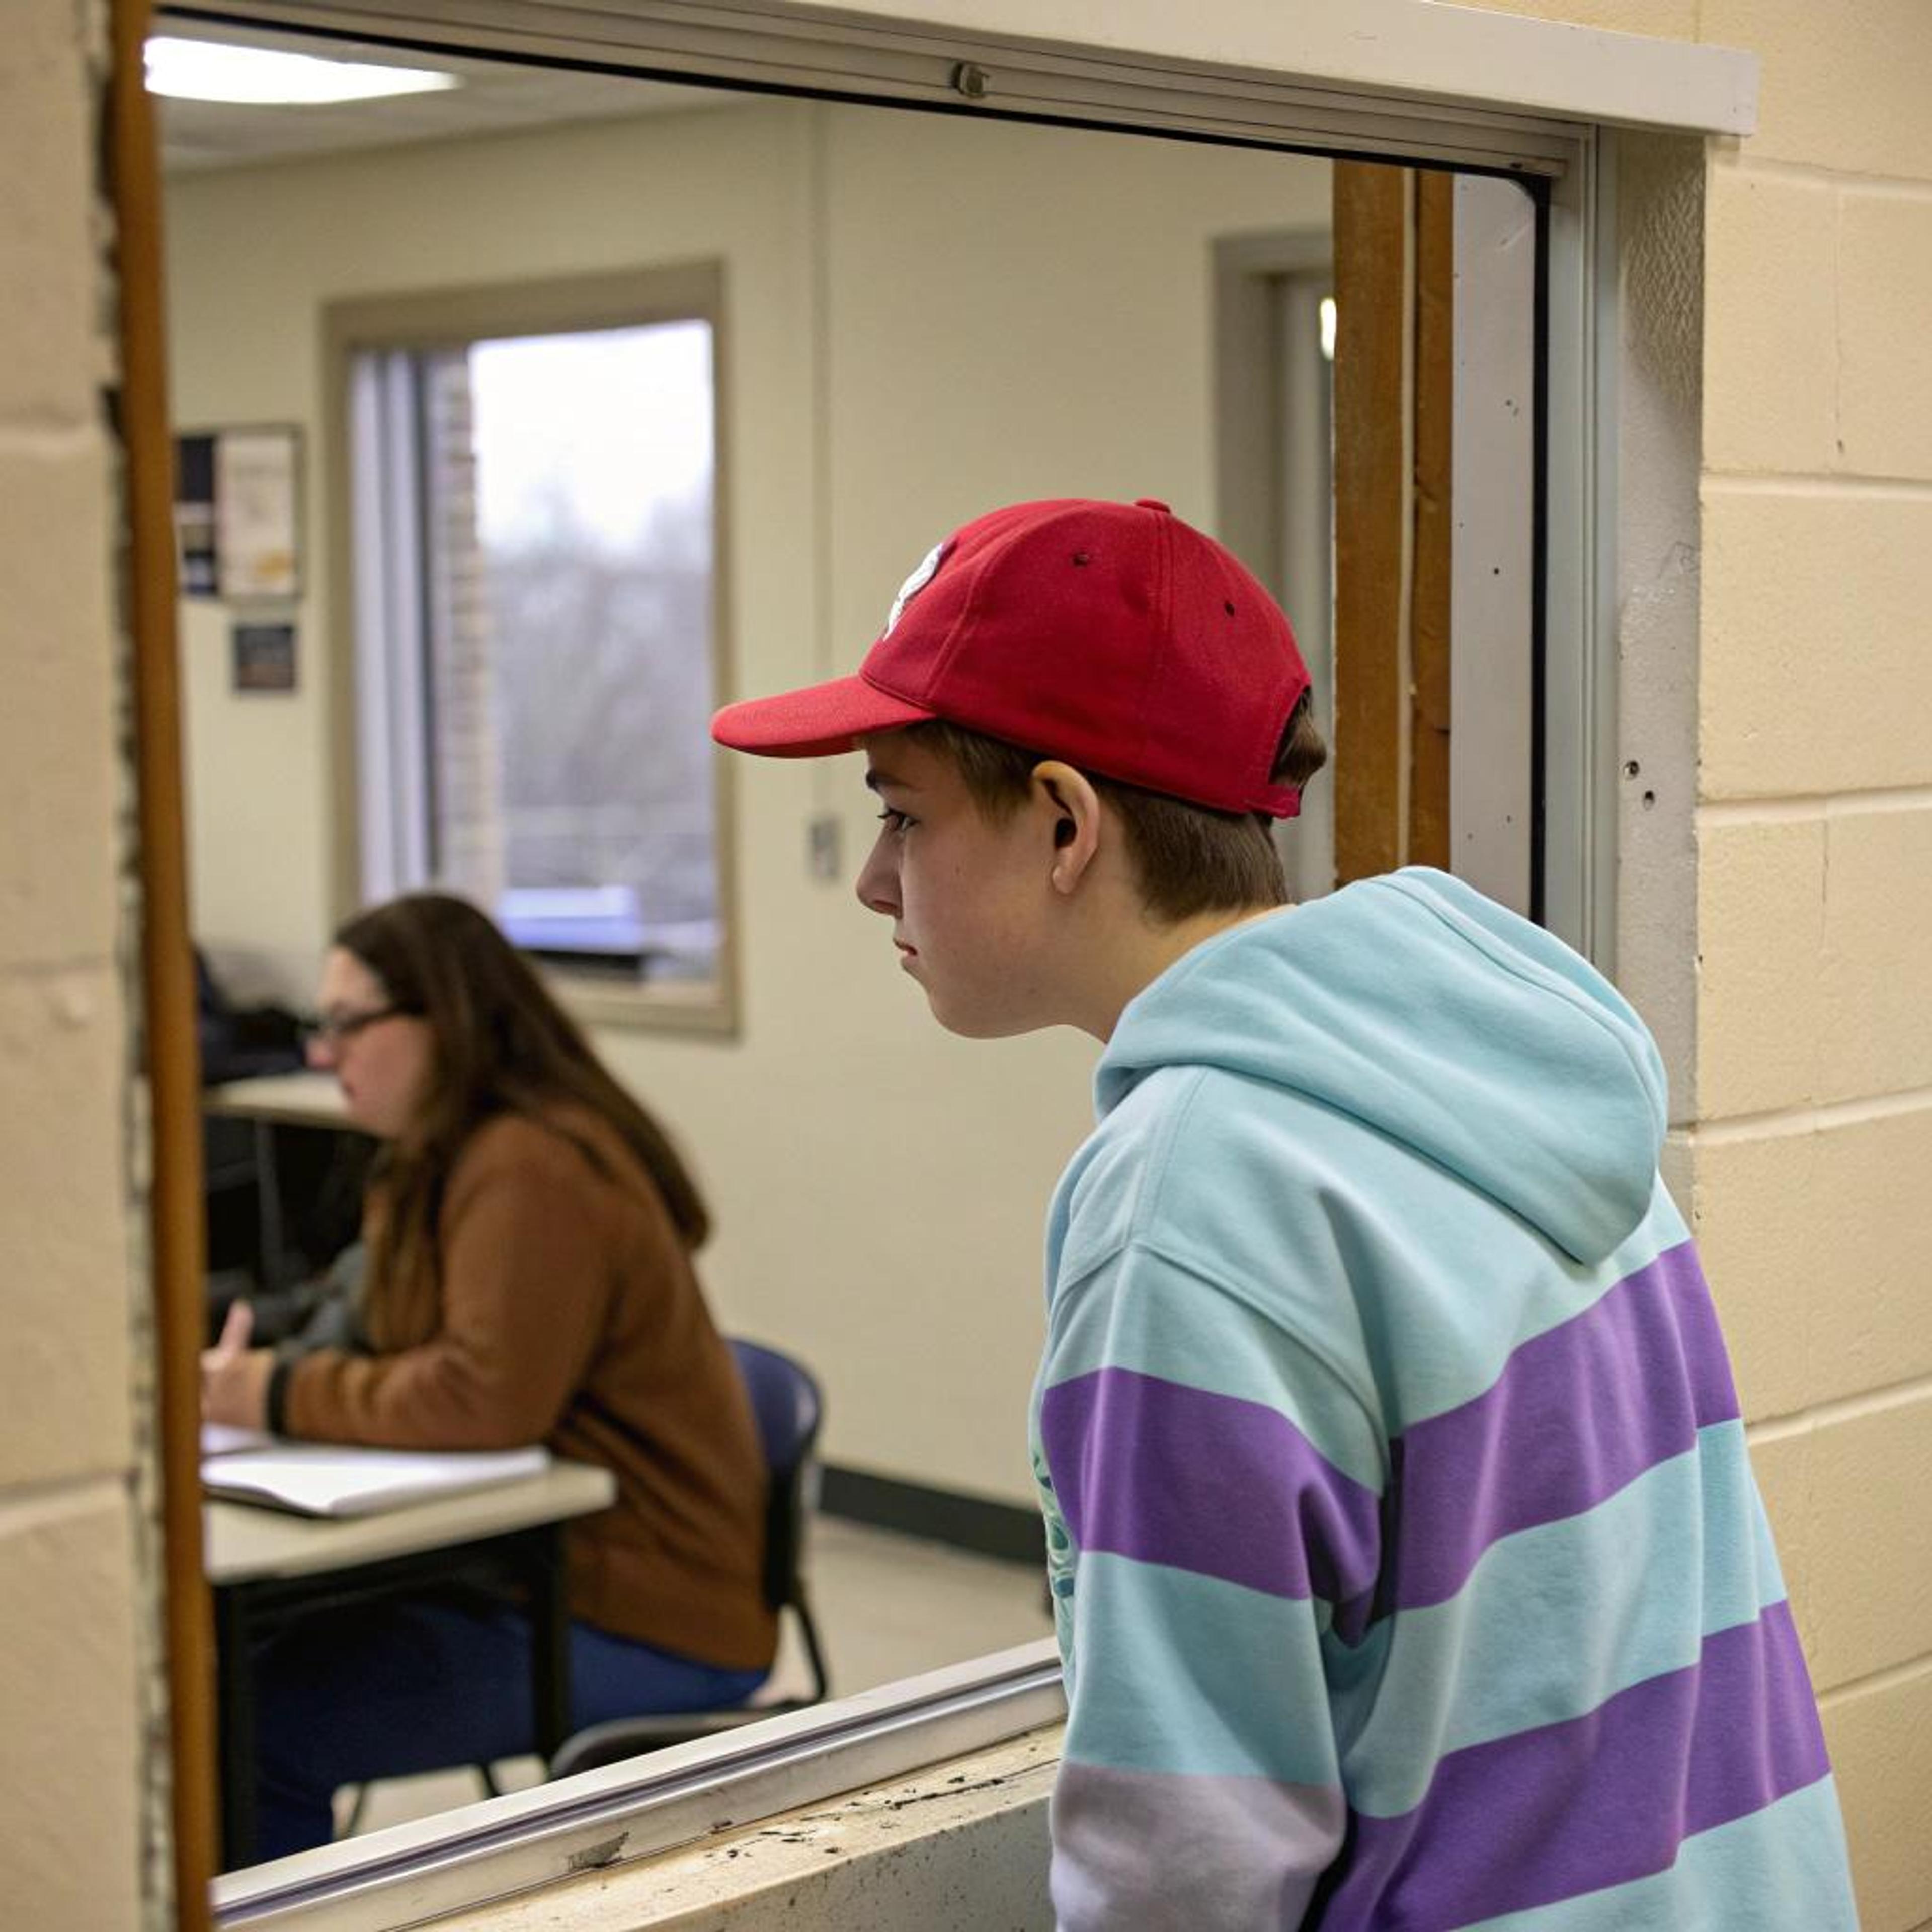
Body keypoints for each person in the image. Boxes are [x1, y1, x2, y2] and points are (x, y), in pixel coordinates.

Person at [709, 497, 1860, 1928]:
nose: (875, 877)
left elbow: (1187, 1852)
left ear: (1065, 822)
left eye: (903, 812)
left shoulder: (1193, 1197)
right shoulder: (1500, 1072)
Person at [200, 892, 773, 1858]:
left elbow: (482, 1397)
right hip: (537, 1572)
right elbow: (386, 1333)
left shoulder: (527, 1164)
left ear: (445, 1020)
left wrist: (271, 1392)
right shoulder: (437, 1156)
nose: (324, 1055)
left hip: (644, 1614)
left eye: (347, 1026)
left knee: (255, 1723)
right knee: (237, 1663)